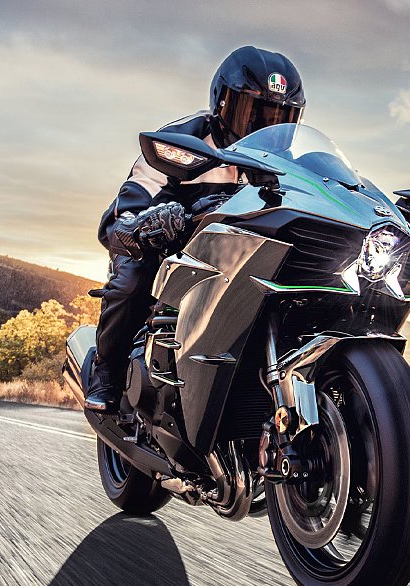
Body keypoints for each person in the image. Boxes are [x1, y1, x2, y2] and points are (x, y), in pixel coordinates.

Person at [85, 46, 306, 411]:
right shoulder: (178, 143)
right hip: (174, 249)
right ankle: (107, 371)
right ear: (222, 103)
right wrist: (143, 223)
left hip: (239, 258)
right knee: (132, 277)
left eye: (277, 118)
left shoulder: (292, 165)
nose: (262, 129)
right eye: (252, 113)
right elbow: (123, 214)